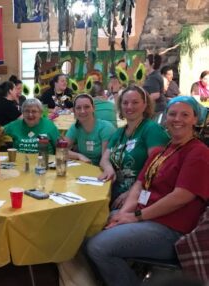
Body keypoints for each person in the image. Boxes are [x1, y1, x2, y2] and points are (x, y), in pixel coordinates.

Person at [86, 96, 209, 286]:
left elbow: (181, 196)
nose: (177, 119)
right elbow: (139, 185)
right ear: (165, 118)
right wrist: (124, 214)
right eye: (172, 114)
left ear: (195, 119)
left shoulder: (198, 152)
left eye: (185, 114)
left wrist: (135, 216)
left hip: (171, 230)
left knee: (98, 246)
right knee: (86, 231)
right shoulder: (165, 150)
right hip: (145, 218)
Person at [98, 84, 169, 209]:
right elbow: (104, 159)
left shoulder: (152, 130)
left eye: (135, 102)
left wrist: (131, 193)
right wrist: (108, 168)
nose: (129, 106)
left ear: (145, 105)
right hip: (112, 192)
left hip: (139, 197)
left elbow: (157, 169)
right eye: (125, 103)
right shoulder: (119, 133)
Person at [65, 94, 116, 166]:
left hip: (102, 170)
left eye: (87, 107)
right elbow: (62, 150)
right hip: (84, 168)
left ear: (93, 108)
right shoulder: (75, 127)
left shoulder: (106, 128)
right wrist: (79, 156)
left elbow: (106, 162)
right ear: (74, 111)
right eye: (78, 108)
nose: (82, 111)